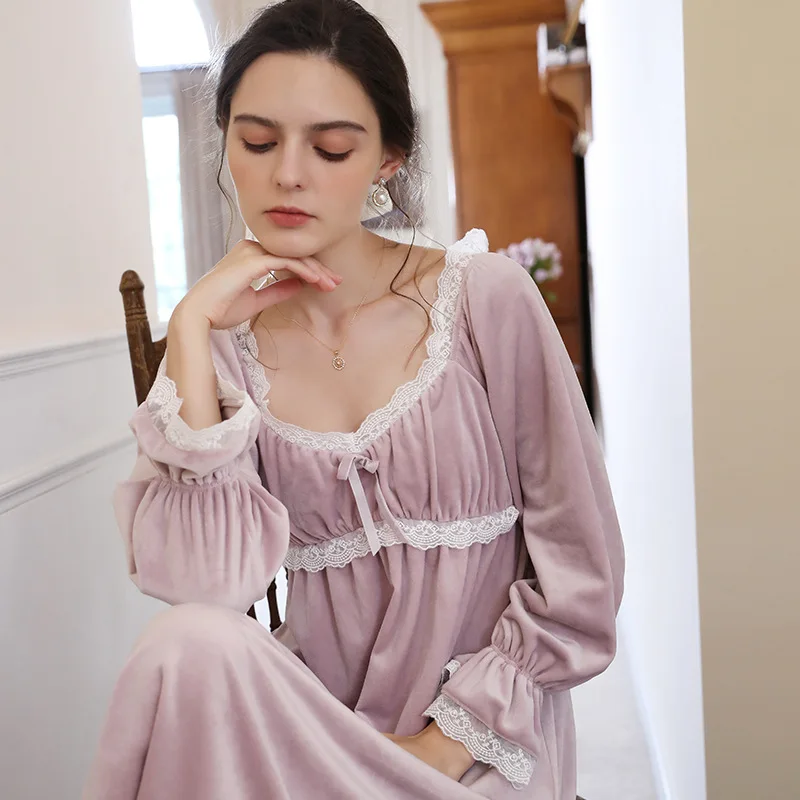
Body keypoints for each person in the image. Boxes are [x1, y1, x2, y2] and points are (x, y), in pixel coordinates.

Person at [83, 1, 625, 798]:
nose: (288, 174)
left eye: (331, 148)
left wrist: (447, 743)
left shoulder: (486, 301)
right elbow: (208, 594)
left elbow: (583, 573)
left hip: (481, 747)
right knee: (181, 646)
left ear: (388, 160)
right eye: (257, 142)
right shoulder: (226, 349)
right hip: (318, 743)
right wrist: (193, 325)